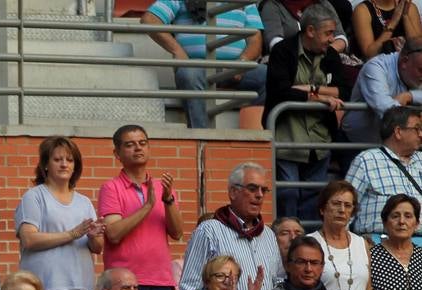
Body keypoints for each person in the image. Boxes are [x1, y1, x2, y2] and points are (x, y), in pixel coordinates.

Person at [99, 125, 185, 290]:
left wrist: (167, 199)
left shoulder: (163, 187)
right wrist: (147, 206)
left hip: (160, 282)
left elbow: (177, 232)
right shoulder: (111, 188)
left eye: (142, 143)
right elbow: (114, 233)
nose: (138, 148)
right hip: (124, 284)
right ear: (117, 153)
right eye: (130, 144)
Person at [264, 4, 347, 219]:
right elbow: (280, 92)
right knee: (289, 193)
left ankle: (308, 245)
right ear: (310, 31)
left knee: (316, 196)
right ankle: (288, 244)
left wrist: (311, 89)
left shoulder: (330, 56)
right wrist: (321, 98)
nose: (332, 39)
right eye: (328, 33)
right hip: (287, 138)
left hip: (320, 140)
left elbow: (344, 90)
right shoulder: (283, 51)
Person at [14, 136, 105, 290]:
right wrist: (72, 234)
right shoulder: (34, 196)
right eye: (57, 159)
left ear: (75, 166)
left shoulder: (84, 201)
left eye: (69, 160)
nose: (64, 164)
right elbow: (29, 239)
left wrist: (94, 236)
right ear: (45, 165)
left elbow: (97, 247)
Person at [141, 0, 265, 128]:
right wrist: (177, 50)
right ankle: (202, 137)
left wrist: (243, 61)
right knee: (189, 74)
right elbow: (150, 19)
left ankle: (255, 136)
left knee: (270, 75)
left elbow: (255, 39)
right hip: (198, 67)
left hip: (234, 67)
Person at [178, 164, 283, 290]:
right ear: (233, 192)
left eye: (263, 190)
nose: (259, 195)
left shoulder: (268, 235)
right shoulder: (209, 231)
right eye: (252, 189)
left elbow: (278, 282)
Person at [346, 107, 422, 239]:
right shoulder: (367, 160)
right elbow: (346, 206)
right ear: (398, 132)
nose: (421, 134)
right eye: (417, 129)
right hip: (380, 242)